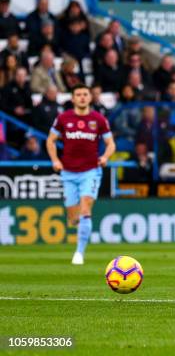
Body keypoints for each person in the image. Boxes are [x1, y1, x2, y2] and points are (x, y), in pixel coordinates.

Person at [46, 84, 116, 265]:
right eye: (79, 95)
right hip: (68, 172)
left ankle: (79, 253)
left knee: (86, 207)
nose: (82, 97)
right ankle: (80, 227)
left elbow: (111, 144)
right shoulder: (63, 118)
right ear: (73, 98)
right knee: (72, 217)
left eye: (85, 94)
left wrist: (105, 157)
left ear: (90, 97)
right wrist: (55, 160)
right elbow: (50, 141)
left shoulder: (98, 119)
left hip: (90, 171)